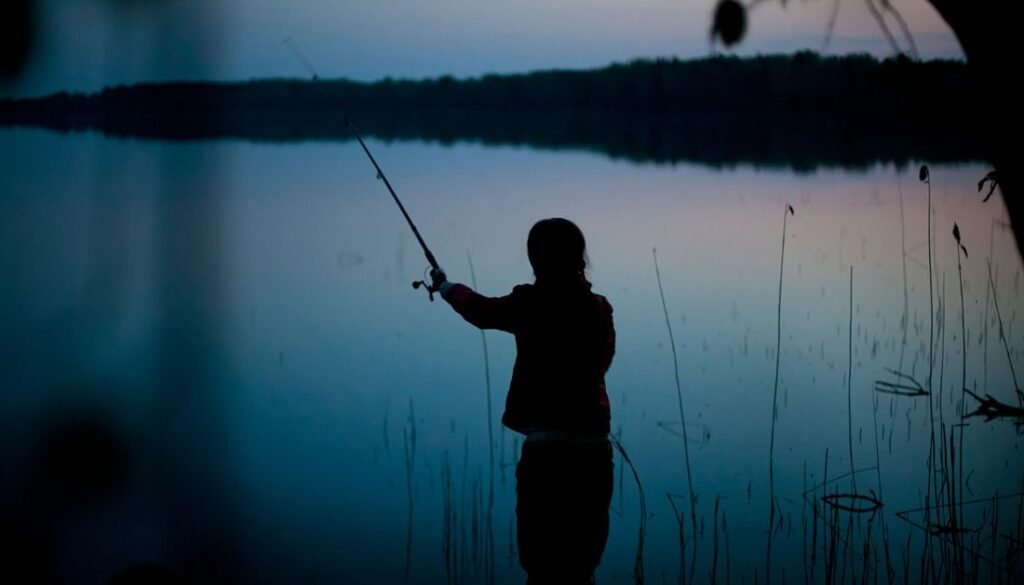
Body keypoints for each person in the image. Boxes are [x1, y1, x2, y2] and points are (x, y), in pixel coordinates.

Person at [430, 217, 615, 584]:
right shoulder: (599, 308)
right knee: (583, 566)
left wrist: (446, 286)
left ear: (536, 259)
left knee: (541, 566)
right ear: (579, 256)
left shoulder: (529, 303)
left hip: (546, 457)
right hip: (594, 455)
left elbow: (479, 310)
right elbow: (602, 364)